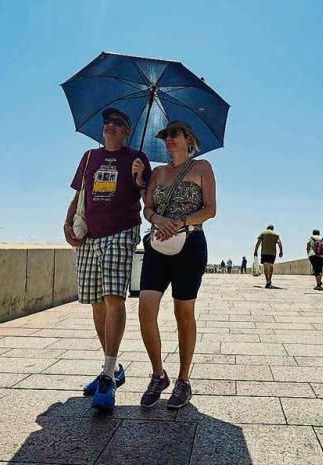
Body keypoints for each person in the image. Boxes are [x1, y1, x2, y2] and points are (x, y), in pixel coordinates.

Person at [63, 107, 151, 410]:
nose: (110, 126)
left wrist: (140, 179)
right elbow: (79, 196)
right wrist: (67, 223)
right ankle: (111, 368)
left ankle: (108, 378)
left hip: (122, 231)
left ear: (127, 130)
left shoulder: (137, 158)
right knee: (96, 303)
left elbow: (149, 200)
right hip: (89, 235)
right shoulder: (89, 157)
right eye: (107, 123)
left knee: (114, 298)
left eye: (117, 123)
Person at [138, 120, 216, 409]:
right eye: (166, 135)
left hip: (191, 244)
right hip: (157, 245)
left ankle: (183, 381)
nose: (169, 138)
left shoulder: (203, 168)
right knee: (146, 310)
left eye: (174, 134)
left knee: (183, 312)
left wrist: (180, 222)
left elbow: (210, 209)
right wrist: (158, 219)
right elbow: (147, 208)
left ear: (188, 138)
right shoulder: (157, 173)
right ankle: (159, 374)